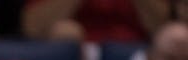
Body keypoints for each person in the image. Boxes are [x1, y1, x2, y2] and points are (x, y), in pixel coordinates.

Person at [22, 0, 168, 42]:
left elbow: (162, 28)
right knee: (66, 32)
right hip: (80, 53)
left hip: (133, 52)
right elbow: (33, 28)